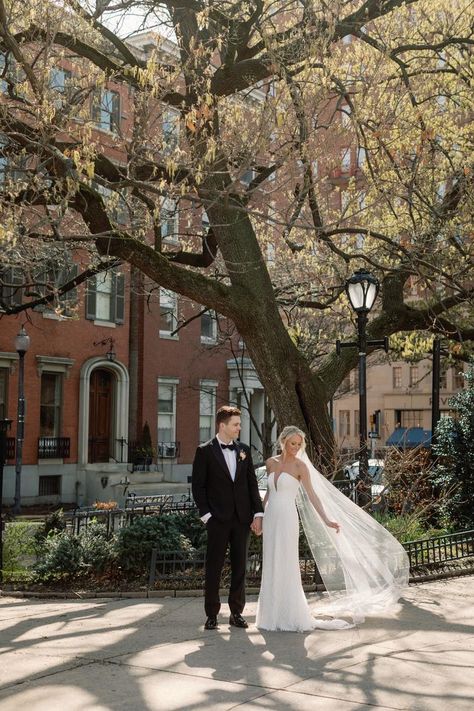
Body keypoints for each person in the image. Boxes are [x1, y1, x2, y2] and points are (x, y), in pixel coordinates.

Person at [256, 426, 410, 632]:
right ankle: (269, 616)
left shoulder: (301, 467)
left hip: (287, 518)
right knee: (271, 561)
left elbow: (313, 496)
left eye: (299, 444)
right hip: (271, 518)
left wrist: (327, 520)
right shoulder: (270, 463)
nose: (295, 447)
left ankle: (290, 615)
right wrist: (260, 515)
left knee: (286, 562)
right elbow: (268, 494)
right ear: (283, 441)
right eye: (292, 443)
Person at [192, 405, 264, 630]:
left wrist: (258, 514)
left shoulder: (243, 450)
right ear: (222, 425)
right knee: (213, 567)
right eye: (235, 424)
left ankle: (236, 613)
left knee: (240, 568)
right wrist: (207, 516)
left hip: (242, 519)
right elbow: (198, 487)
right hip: (217, 520)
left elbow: (252, 484)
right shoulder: (204, 451)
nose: (239, 428)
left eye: (239, 424)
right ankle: (212, 614)